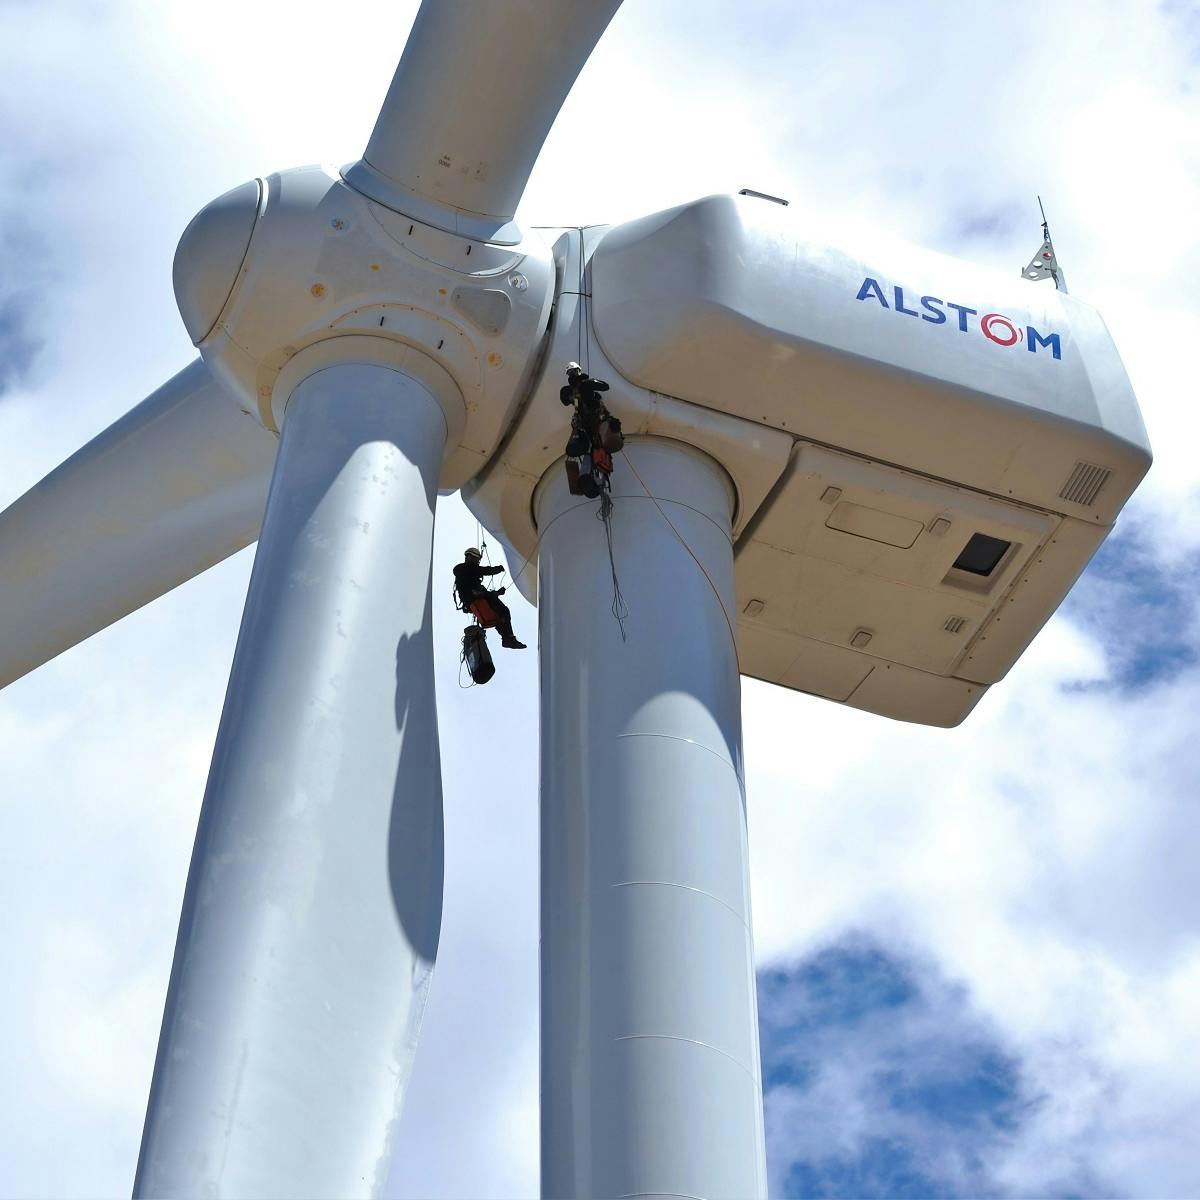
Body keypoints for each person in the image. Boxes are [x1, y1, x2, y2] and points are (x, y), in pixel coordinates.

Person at [453, 548, 526, 649]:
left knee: (498, 617)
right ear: (471, 557)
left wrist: (498, 593)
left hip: (475, 599)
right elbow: (484, 571)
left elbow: (486, 594)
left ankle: (507, 638)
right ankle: (508, 638)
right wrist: (498, 568)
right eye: (476, 559)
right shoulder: (466, 568)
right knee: (504, 611)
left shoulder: (465, 572)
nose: (477, 562)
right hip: (475, 597)